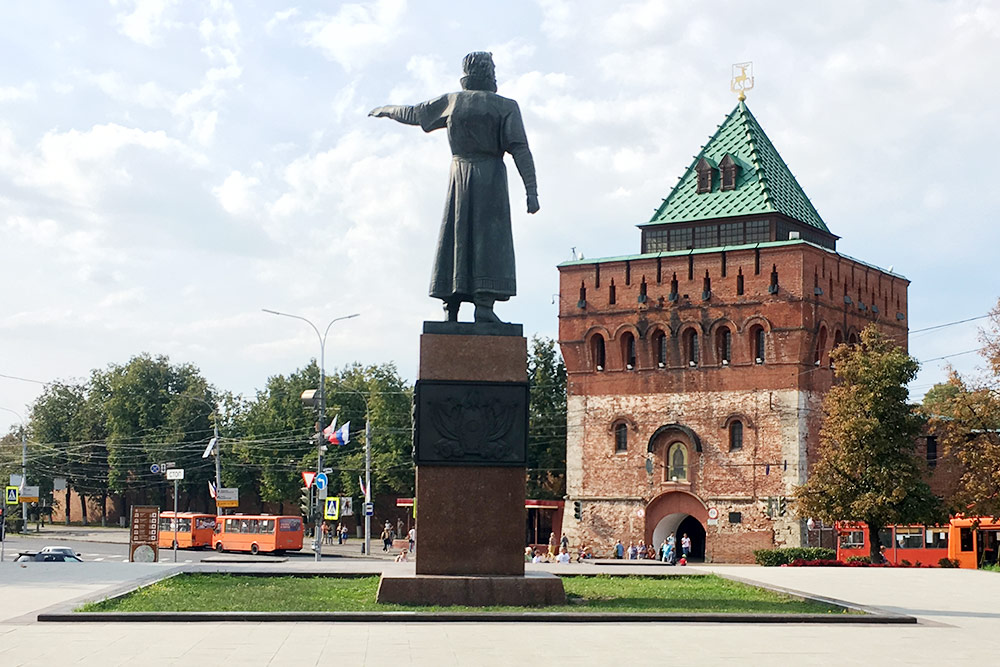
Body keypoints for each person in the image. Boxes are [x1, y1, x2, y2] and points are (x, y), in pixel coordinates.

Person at [369, 52, 539, 323]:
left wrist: (387, 109)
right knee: (488, 241)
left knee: (456, 237)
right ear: (487, 73)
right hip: (490, 178)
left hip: (460, 176)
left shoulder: (452, 101)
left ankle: (452, 305)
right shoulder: (506, 106)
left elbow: (414, 113)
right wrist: (532, 191)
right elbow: (520, 149)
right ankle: (483, 305)